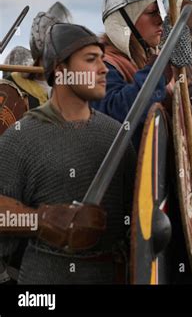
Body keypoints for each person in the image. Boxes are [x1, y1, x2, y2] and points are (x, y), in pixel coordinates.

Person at [0, 23, 136, 284]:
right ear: (61, 71)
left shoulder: (116, 135)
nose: (103, 68)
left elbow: (136, 218)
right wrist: (43, 220)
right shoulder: (21, 137)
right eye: (90, 60)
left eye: (102, 59)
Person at [91, 0, 192, 150]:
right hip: (127, 174)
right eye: (152, 13)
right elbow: (116, 115)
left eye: (159, 12)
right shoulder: (104, 65)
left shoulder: (144, 60)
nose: (160, 20)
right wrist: (155, 74)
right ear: (125, 19)